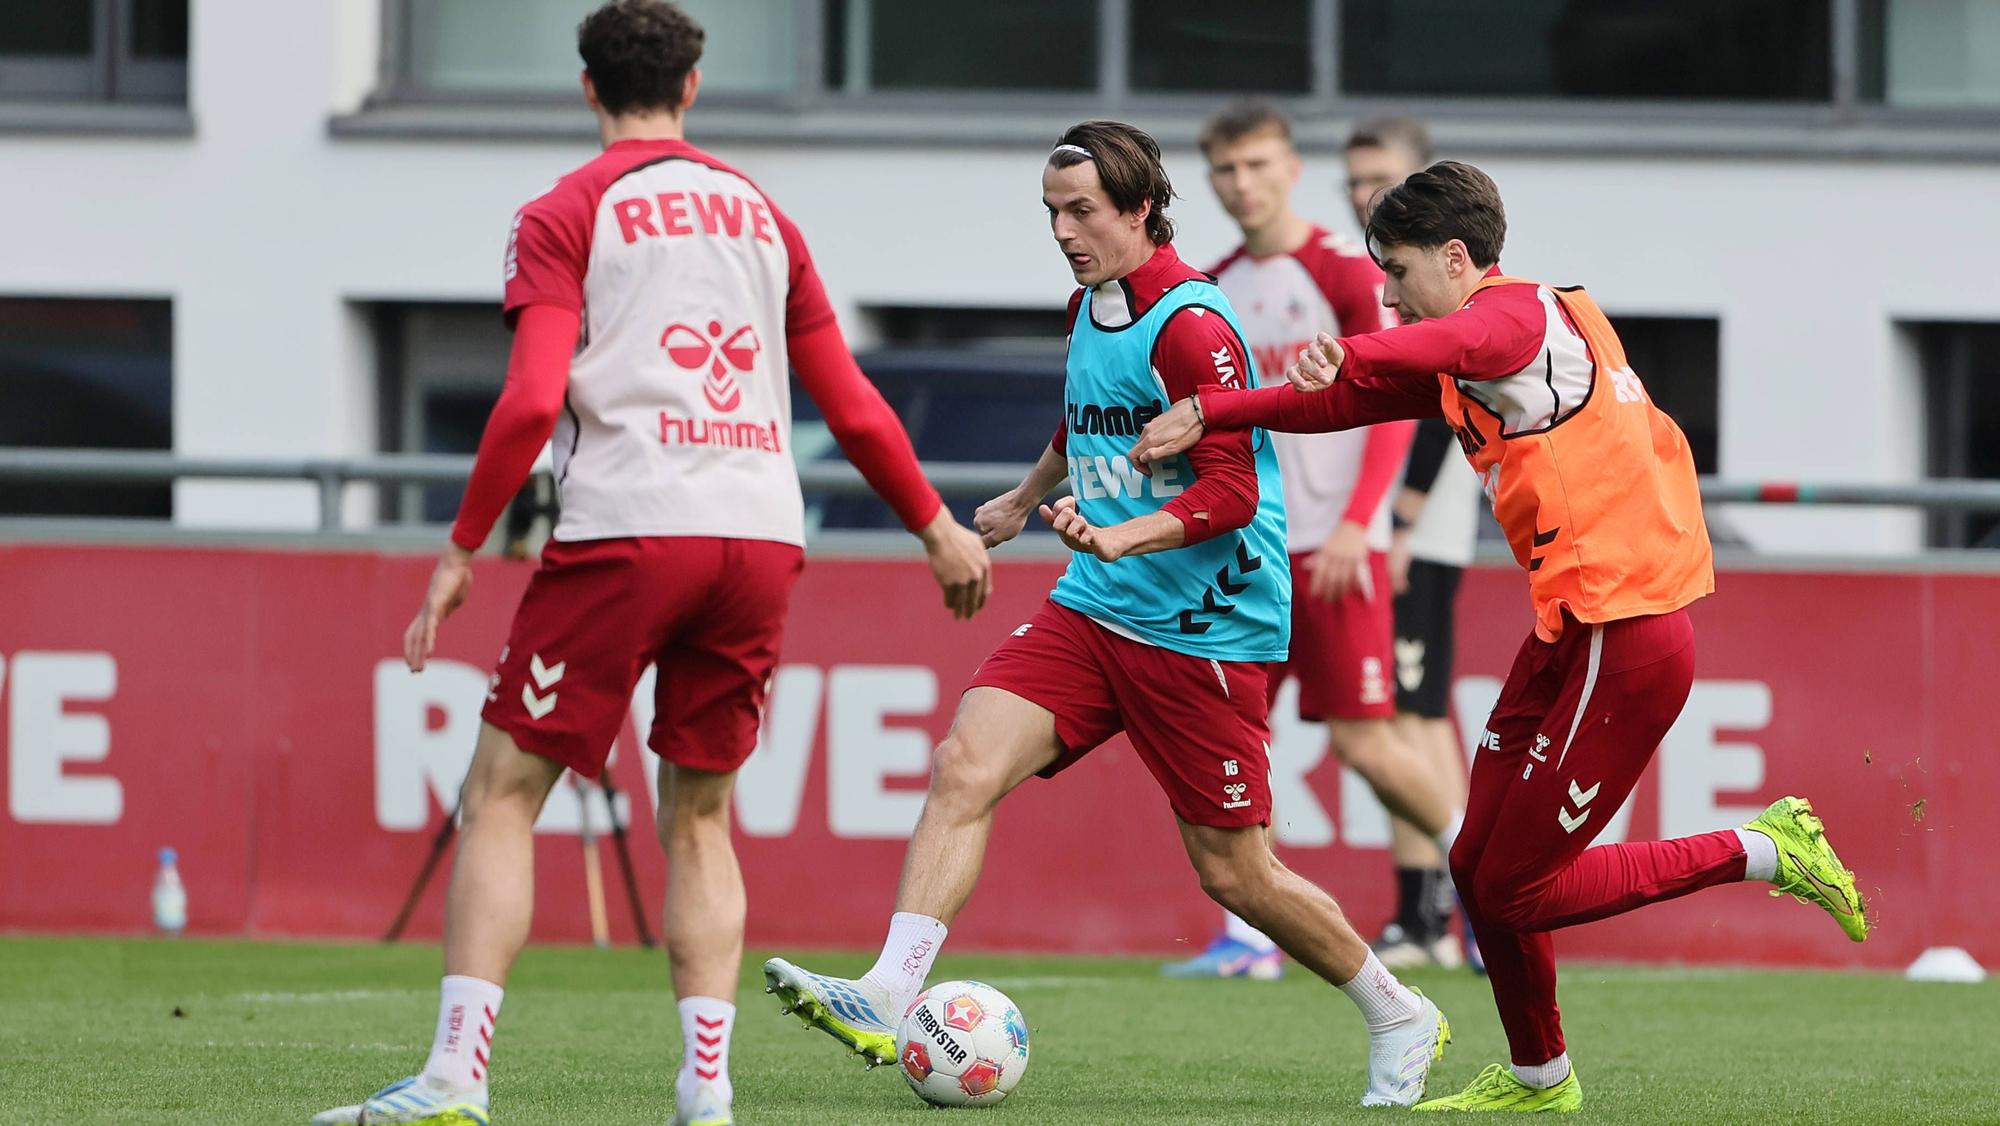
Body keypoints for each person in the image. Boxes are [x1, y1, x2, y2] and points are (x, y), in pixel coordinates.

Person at [312, 4, 992, 1125]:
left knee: (500, 794)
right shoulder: (765, 216)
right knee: (702, 816)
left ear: (587, 89)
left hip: (628, 527)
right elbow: (852, 403)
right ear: (694, 84)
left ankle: (453, 1079)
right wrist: (932, 523)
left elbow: (533, 396)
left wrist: (462, 547)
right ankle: (705, 1093)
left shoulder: (565, 209)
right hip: (761, 536)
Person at [1130, 161, 1868, 1113]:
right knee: (1477, 868)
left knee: (1517, 890)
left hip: (1627, 636)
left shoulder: (1516, 317)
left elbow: (1450, 339)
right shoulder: (1469, 351)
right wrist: (1215, 412)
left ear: (1456, 256)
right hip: (1571, 634)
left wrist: (1352, 350)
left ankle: (1762, 847)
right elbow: (1338, 406)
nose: (1385, 292)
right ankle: (1539, 1078)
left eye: (1395, 270)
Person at [762, 120, 1450, 1109]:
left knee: (1235, 874)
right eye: (1050, 212)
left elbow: (1232, 493)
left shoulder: (1192, 324)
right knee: (965, 761)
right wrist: (1023, 493)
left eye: (1080, 210)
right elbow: (1084, 409)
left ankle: (1397, 1010)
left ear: (1138, 209)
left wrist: (1120, 536)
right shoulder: (1097, 300)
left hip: (1201, 623)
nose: (1062, 229)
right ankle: (885, 990)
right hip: (1097, 604)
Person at [1164, 102, 1459, 982]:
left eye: (1257, 165)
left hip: (1334, 548)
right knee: (1233, 732)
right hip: (1247, 552)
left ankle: (1477, 877)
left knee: (1365, 743)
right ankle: (1252, 938)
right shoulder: (1208, 288)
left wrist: (1363, 525)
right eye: (1225, 170)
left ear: (1293, 169)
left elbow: (1398, 403)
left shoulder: (1342, 269)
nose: (1241, 184)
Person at [1349, 118, 1479, 970]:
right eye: (1355, 181)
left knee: (1404, 720)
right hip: (1402, 531)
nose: (1368, 195)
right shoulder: (1388, 274)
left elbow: (1433, 399)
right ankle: (1433, 913)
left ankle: (1452, 904)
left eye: (1383, 179)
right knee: (1414, 714)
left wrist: (1395, 523)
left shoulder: (1424, 283)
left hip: (1413, 537)